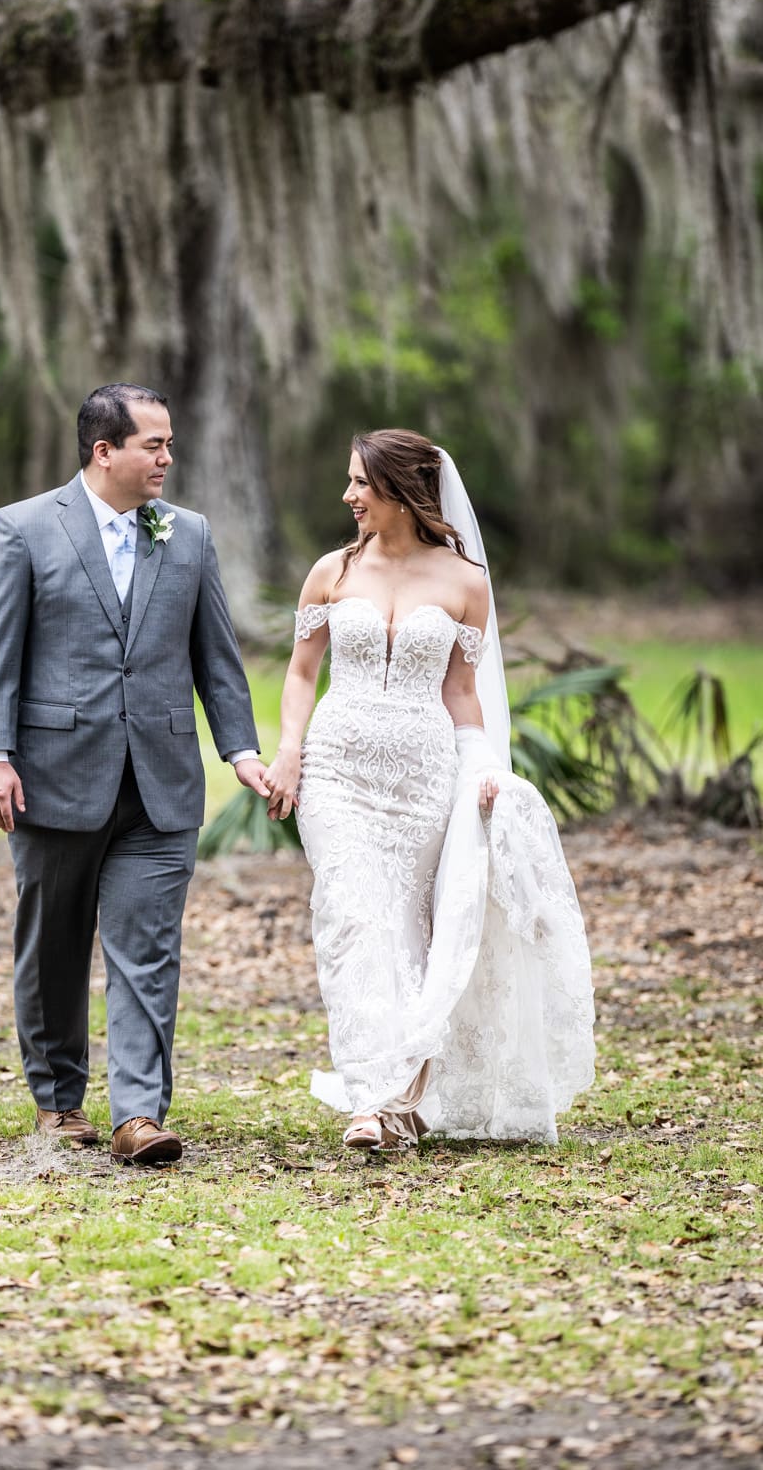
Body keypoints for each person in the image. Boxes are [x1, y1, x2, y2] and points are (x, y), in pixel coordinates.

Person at [0, 383, 268, 1164]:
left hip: (161, 782)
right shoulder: (24, 529)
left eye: (169, 445)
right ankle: (61, 1100)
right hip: (52, 777)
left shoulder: (189, 535)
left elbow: (217, 659)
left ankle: (139, 1115)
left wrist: (240, 750)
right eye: (154, 445)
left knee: (148, 948)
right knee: (54, 947)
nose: (169, 458)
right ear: (106, 452)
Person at [264, 430, 595, 1149]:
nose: (348, 496)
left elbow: (463, 692)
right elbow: (299, 672)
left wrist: (482, 768)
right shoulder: (331, 571)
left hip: (422, 776)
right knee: (354, 916)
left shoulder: (465, 583)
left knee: (411, 926)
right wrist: (288, 753)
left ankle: (408, 1091)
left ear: (404, 492)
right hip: (338, 771)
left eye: (360, 483)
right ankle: (368, 1097)